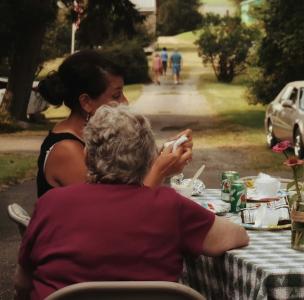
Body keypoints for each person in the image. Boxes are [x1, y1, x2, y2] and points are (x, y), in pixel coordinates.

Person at [14, 104, 250, 300]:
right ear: (149, 159)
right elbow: (236, 236)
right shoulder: (169, 205)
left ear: (87, 156)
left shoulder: (51, 203)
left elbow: (22, 281)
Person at [36, 50, 192, 197]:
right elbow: (116, 214)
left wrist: (163, 156)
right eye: (116, 95)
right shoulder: (66, 150)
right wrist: (160, 170)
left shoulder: (93, 140)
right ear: (86, 102)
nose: (125, 101)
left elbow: (124, 192)